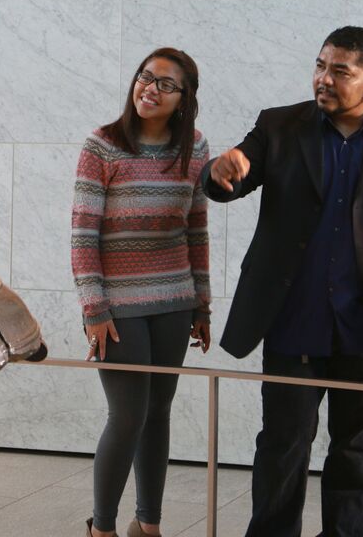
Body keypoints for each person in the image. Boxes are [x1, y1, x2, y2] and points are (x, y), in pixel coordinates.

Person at [201, 26, 363, 537]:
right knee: (283, 446)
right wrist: (218, 171)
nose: (323, 79)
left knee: (356, 449)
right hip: (293, 320)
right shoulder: (279, 125)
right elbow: (228, 182)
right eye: (319, 65)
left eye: (340, 71)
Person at [72, 47, 212, 537]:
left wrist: (202, 302)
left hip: (174, 298)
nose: (149, 89)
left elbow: (196, 229)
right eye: (145, 77)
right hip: (118, 305)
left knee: (159, 412)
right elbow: (83, 234)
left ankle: (148, 525)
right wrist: (94, 307)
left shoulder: (193, 148)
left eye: (165, 84)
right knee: (128, 414)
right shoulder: (103, 145)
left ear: (184, 98)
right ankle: (102, 528)